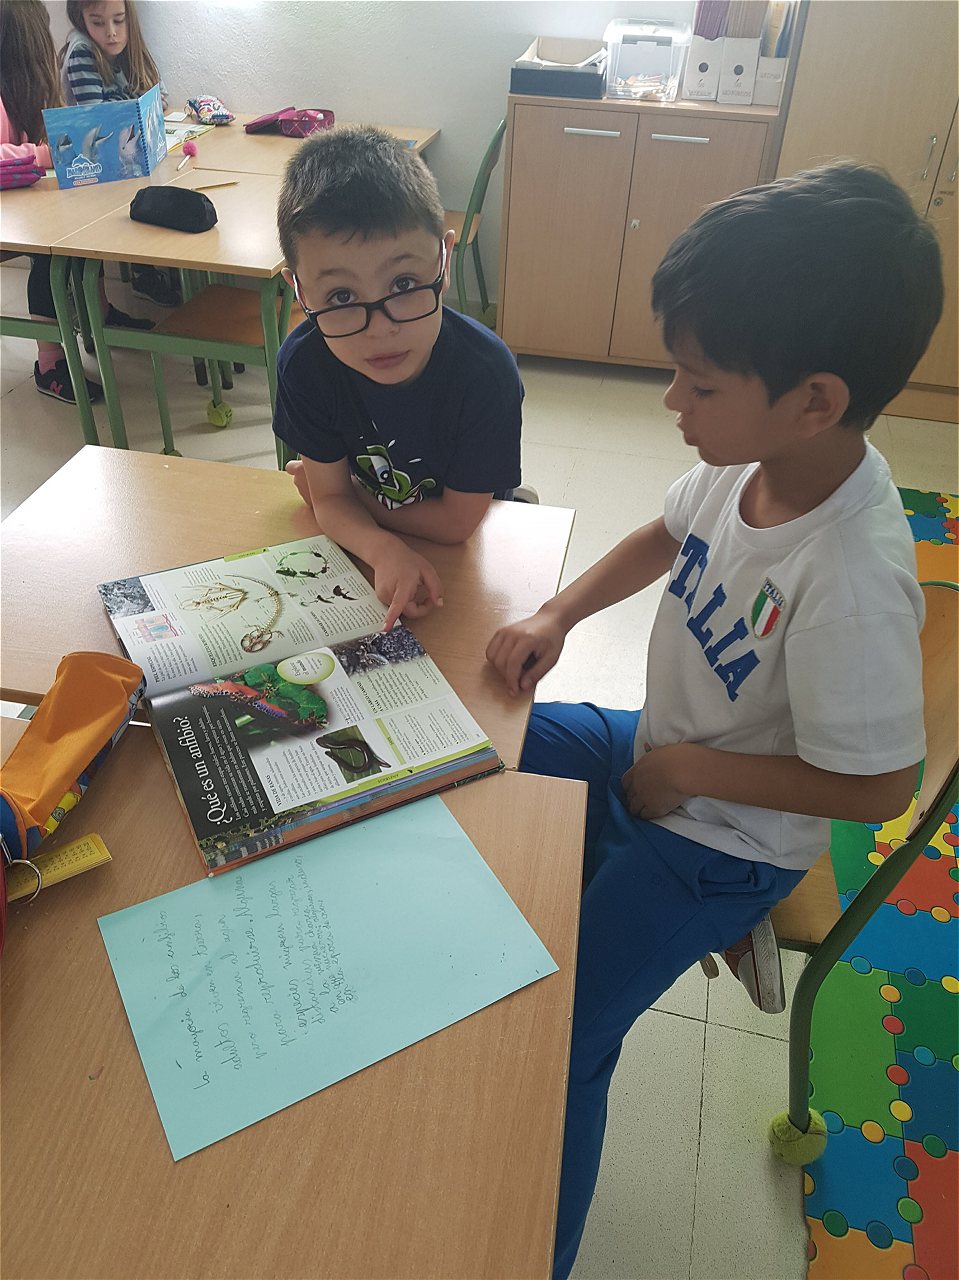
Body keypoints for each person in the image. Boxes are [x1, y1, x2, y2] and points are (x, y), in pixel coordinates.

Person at [485, 161, 943, 1278]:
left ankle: (535, 1255)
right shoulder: (750, 463)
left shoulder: (850, 574)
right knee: (478, 737)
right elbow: (663, 533)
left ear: (814, 399)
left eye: (696, 383)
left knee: (561, 1042)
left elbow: (879, 787)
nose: (670, 404)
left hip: (726, 840)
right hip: (654, 750)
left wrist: (690, 770)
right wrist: (555, 612)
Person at [274, 126, 525, 630]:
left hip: (470, 544)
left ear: (444, 260)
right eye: (342, 297)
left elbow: (456, 524)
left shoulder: (486, 374)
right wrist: (382, 548)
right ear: (298, 290)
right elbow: (328, 500)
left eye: (404, 283)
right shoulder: (305, 365)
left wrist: (351, 500)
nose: (380, 328)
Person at [0, 0, 151, 403]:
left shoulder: (30, 88)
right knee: (48, 252)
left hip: (22, 202)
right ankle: (49, 363)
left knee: (85, 218)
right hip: (11, 215)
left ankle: (100, 315)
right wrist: (40, 153)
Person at [60, 0, 178, 307]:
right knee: (148, 195)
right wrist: (137, 106)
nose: (111, 32)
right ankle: (146, 272)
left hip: (129, 160)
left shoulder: (129, 48)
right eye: (98, 23)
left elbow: (160, 96)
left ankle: (153, 269)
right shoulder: (83, 53)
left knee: (167, 182)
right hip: (96, 169)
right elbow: (99, 119)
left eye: (119, 20)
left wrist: (141, 105)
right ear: (81, 19)